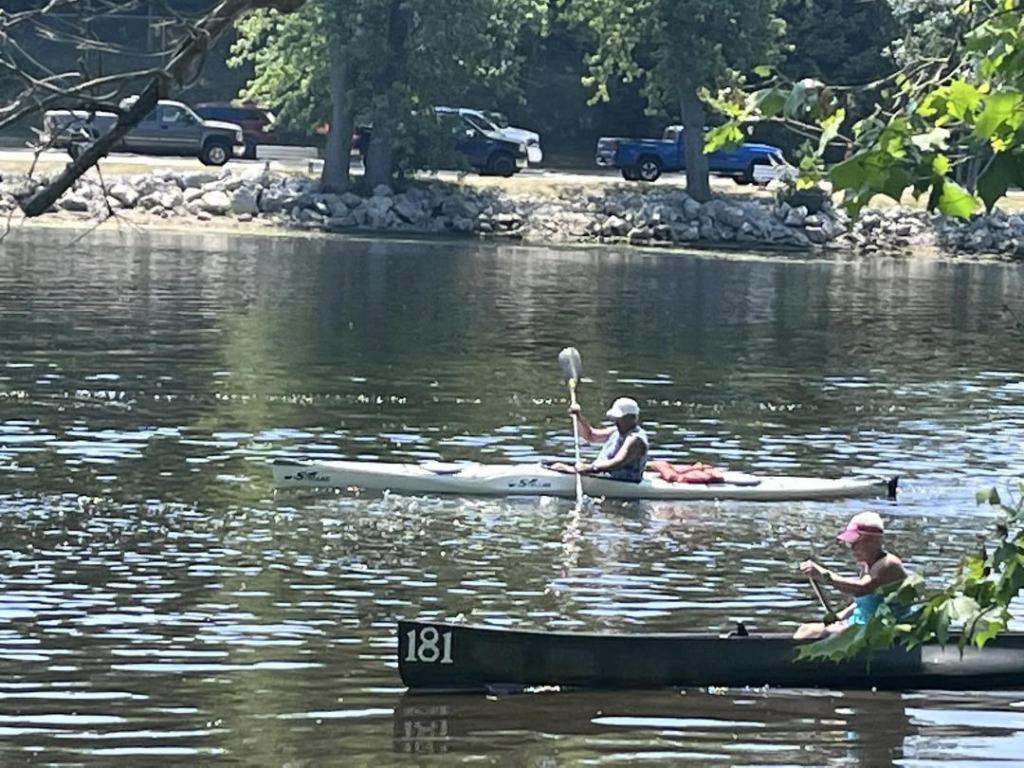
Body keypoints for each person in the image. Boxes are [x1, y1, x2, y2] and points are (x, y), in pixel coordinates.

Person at [793, 511, 907, 640]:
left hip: (883, 629)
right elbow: (862, 603)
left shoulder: (889, 564)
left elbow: (861, 589)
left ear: (875, 540)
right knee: (805, 629)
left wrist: (824, 575)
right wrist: (839, 617)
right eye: (850, 543)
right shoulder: (867, 565)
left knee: (811, 634)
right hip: (863, 624)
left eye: (856, 542)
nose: (852, 548)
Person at [550, 397, 649, 483]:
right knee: (556, 466)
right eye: (615, 418)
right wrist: (578, 417)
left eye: (619, 418)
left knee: (560, 468)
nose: (616, 421)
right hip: (603, 473)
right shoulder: (616, 431)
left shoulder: (635, 440)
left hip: (622, 481)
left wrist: (589, 468)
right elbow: (591, 436)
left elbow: (618, 462)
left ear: (632, 418)